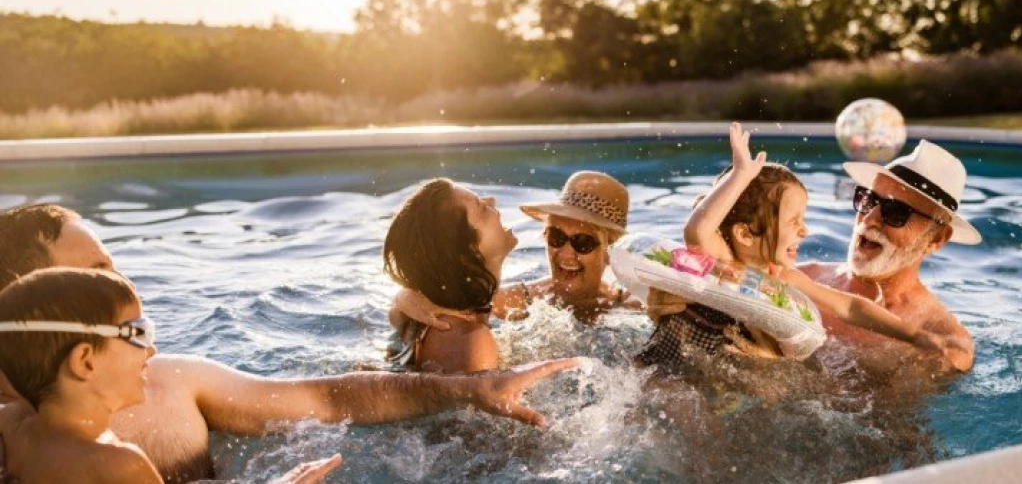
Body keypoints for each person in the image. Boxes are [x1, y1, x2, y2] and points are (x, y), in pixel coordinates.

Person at [0, 204, 581, 482]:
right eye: (96, 272)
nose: (122, 281)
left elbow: (329, 397)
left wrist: (471, 390)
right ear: (28, 294)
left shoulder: (174, 381)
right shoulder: (20, 436)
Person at [647, 132, 977, 373]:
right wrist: (656, 300)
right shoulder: (798, 275)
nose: (869, 218)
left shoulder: (944, 344)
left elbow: (881, 428)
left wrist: (778, 371)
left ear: (937, 239)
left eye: (895, 213)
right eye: (867, 199)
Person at [0, 268, 344, 484]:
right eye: (138, 333)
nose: (151, 350)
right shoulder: (119, 463)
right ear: (85, 361)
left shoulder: (12, 430)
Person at [390, 171, 641, 329]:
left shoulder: (633, 305)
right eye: (556, 237)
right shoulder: (522, 300)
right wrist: (405, 299)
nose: (566, 254)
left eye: (583, 242)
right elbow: (442, 302)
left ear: (609, 252)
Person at [383, 178, 516, 373]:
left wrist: (403, 297)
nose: (492, 200)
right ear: (470, 250)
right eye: (482, 208)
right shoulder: (471, 340)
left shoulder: (425, 314)